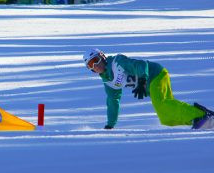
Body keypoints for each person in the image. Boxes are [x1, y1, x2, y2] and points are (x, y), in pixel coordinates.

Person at [83, 48, 214, 130]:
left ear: (102, 56)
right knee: (165, 118)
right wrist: (110, 125)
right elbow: (113, 102)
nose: (94, 66)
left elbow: (141, 64)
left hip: (155, 74)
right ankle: (198, 120)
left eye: (95, 60)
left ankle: (202, 116)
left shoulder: (117, 62)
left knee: (162, 104)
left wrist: (142, 80)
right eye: (90, 65)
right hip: (149, 85)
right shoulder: (108, 82)